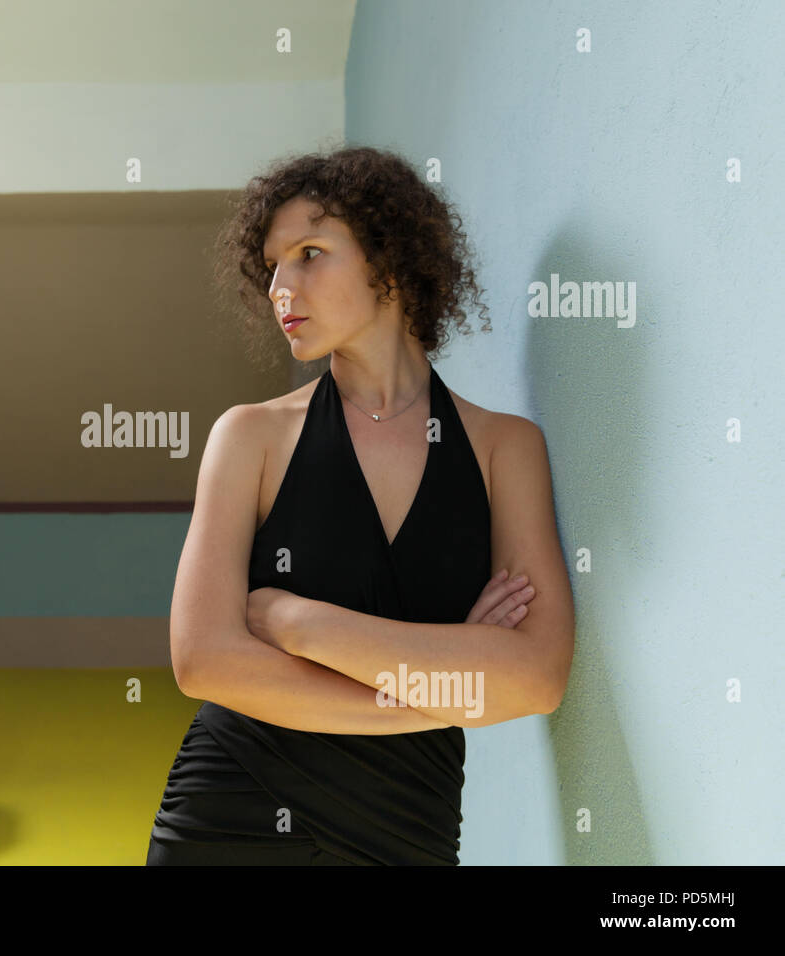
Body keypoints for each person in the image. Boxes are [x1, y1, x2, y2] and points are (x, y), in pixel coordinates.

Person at [145, 146, 575, 865]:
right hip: (231, 816)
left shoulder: (507, 449)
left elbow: (536, 677)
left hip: (409, 831)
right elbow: (203, 661)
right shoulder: (248, 436)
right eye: (274, 264)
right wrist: (448, 687)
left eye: (310, 253)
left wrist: (296, 621)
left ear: (391, 259)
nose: (282, 286)